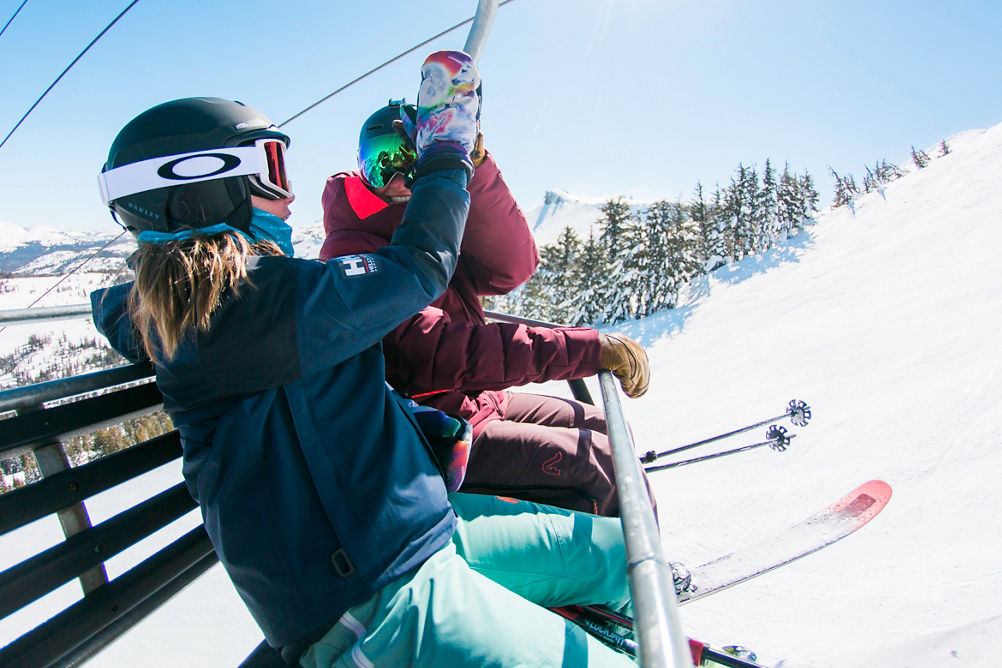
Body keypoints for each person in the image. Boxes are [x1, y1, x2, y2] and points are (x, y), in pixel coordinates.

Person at [90, 52, 636, 667]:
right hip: (375, 602)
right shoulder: (237, 311)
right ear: (203, 186)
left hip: (420, 536)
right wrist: (446, 149)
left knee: (624, 556)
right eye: (271, 169)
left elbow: (314, 411)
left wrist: (421, 430)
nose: (290, 194)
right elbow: (419, 268)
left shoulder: (246, 305)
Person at [320, 100, 656, 518]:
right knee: (598, 462)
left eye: (410, 159)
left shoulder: (428, 228)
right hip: (429, 429)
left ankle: (624, 557)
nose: (398, 179)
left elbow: (511, 268)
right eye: (380, 163)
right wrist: (585, 350)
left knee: (608, 428)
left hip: (477, 399)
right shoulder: (352, 252)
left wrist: (472, 171)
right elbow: (433, 350)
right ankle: (632, 576)